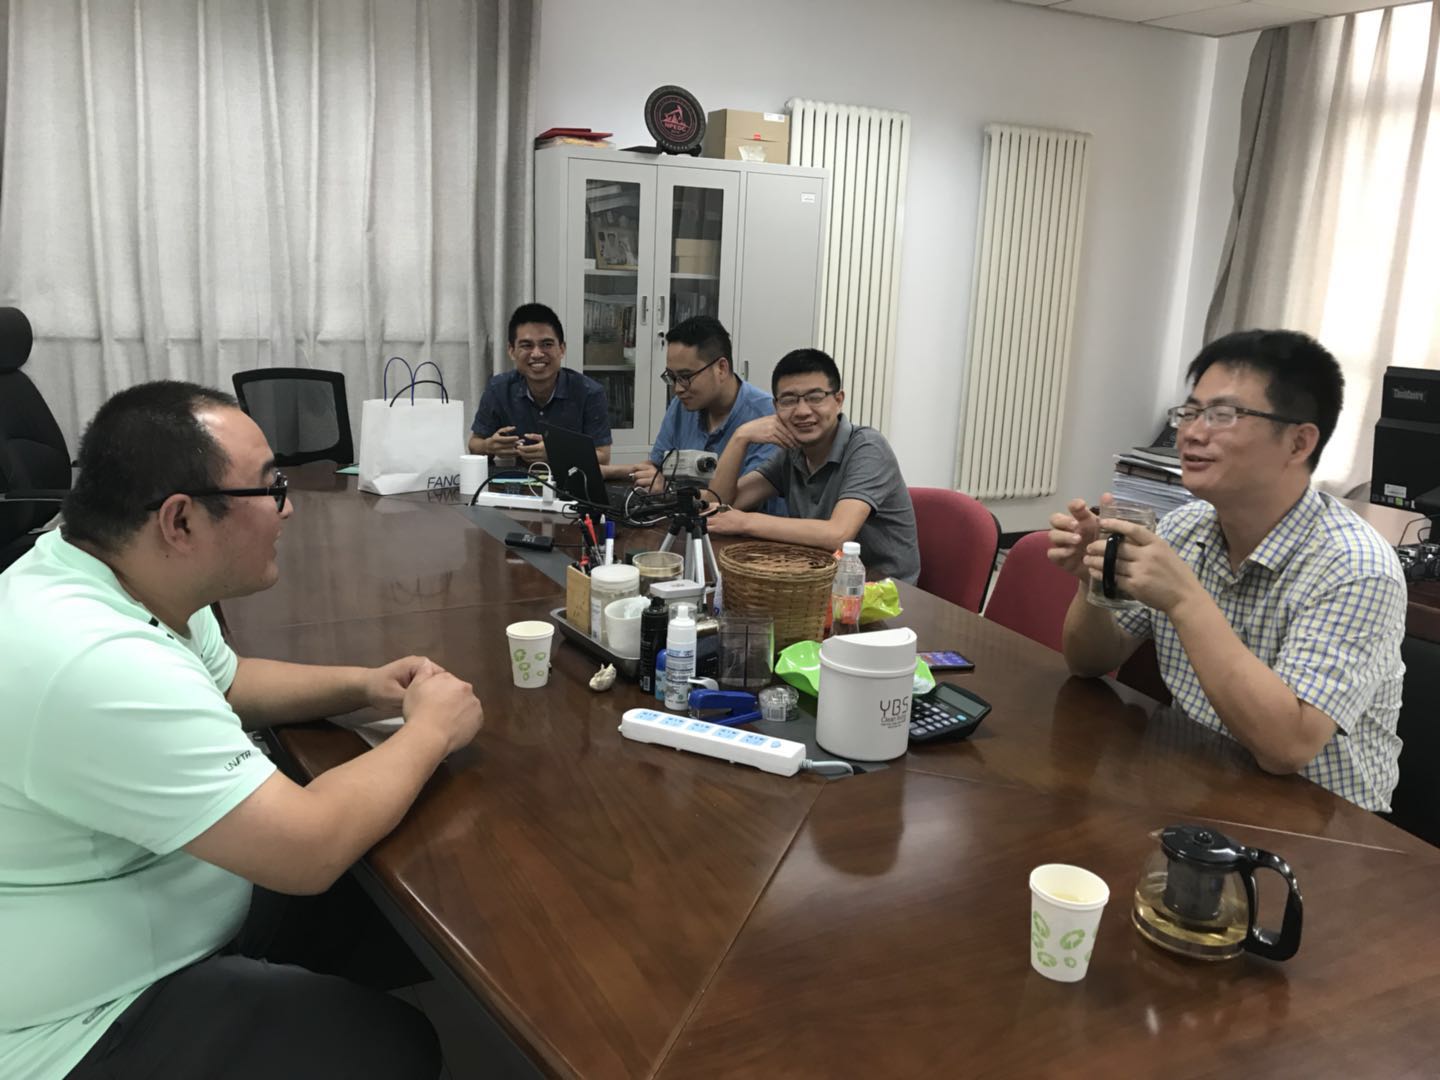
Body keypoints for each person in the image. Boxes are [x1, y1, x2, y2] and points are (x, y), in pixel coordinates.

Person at [0, 382, 484, 1079]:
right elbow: (307, 847)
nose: (287, 508)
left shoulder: (120, 569)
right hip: (80, 1020)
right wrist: (431, 730)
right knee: (392, 1048)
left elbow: (224, 682)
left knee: (393, 901)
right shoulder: (92, 658)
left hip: (170, 900)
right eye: (270, 487)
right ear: (181, 520)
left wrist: (364, 684)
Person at [1047, 330, 1406, 811]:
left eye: (1223, 415)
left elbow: (1287, 748)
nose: (1192, 433)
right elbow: (1090, 660)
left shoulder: (1356, 568)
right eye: (1189, 412)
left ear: (1298, 442)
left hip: (1321, 822)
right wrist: (1094, 581)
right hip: (1201, 786)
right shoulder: (1184, 527)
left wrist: (1184, 599)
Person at [707, 348, 920, 583]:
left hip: (884, 592)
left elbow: (838, 534)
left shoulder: (868, 447)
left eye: (815, 398)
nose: (802, 411)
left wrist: (746, 522)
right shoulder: (792, 452)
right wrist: (740, 438)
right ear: (776, 407)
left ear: (838, 400)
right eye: (789, 400)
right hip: (820, 581)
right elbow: (721, 504)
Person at [609, 316, 781, 515]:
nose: (678, 389)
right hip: (685, 520)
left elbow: (729, 501)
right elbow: (657, 467)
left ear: (721, 368)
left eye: (686, 377)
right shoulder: (682, 406)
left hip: (742, 529)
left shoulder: (766, 418)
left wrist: (667, 492)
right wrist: (613, 472)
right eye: (672, 377)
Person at [467, 302, 612, 469]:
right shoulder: (498, 388)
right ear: (511, 351)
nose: (537, 354)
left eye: (547, 344)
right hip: (516, 481)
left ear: (562, 349)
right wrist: (489, 446)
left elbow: (603, 456)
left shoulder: (589, 392)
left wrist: (557, 452)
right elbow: (474, 444)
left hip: (570, 482)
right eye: (526, 345)